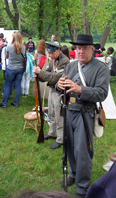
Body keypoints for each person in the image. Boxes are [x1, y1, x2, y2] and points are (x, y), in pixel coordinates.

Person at [56, 34, 110, 198]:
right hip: (68, 110)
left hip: (85, 113)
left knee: (83, 151)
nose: (80, 51)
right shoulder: (71, 66)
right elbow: (64, 86)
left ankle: (82, 187)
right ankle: (73, 174)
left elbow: (102, 93)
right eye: (78, 48)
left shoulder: (101, 68)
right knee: (69, 146)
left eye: (84, 48)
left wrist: (81, 90)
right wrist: (59, 86)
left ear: (92, 49)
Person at [33, 41, 70, 149]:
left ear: (58, 51)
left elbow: (54, 78)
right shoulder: (52, 60)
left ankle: (60, 139)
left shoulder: (65, 61)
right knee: (52, 113)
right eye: (49, 53)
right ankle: (52, 133)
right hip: (52, 90)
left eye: (52, 53)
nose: (49, 55)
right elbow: (46, 72)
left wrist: (40, 72)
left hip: (61, 92)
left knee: (59, 116)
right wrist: (38, 73)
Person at [0, 31, 26, 108]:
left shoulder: (9, 46)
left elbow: (7, 57)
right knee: (18, 86)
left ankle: (4, 103)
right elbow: (24, 56)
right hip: (20, 68)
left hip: (11, 68)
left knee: (7, 85)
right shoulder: (23, 47)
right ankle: (15, 103)